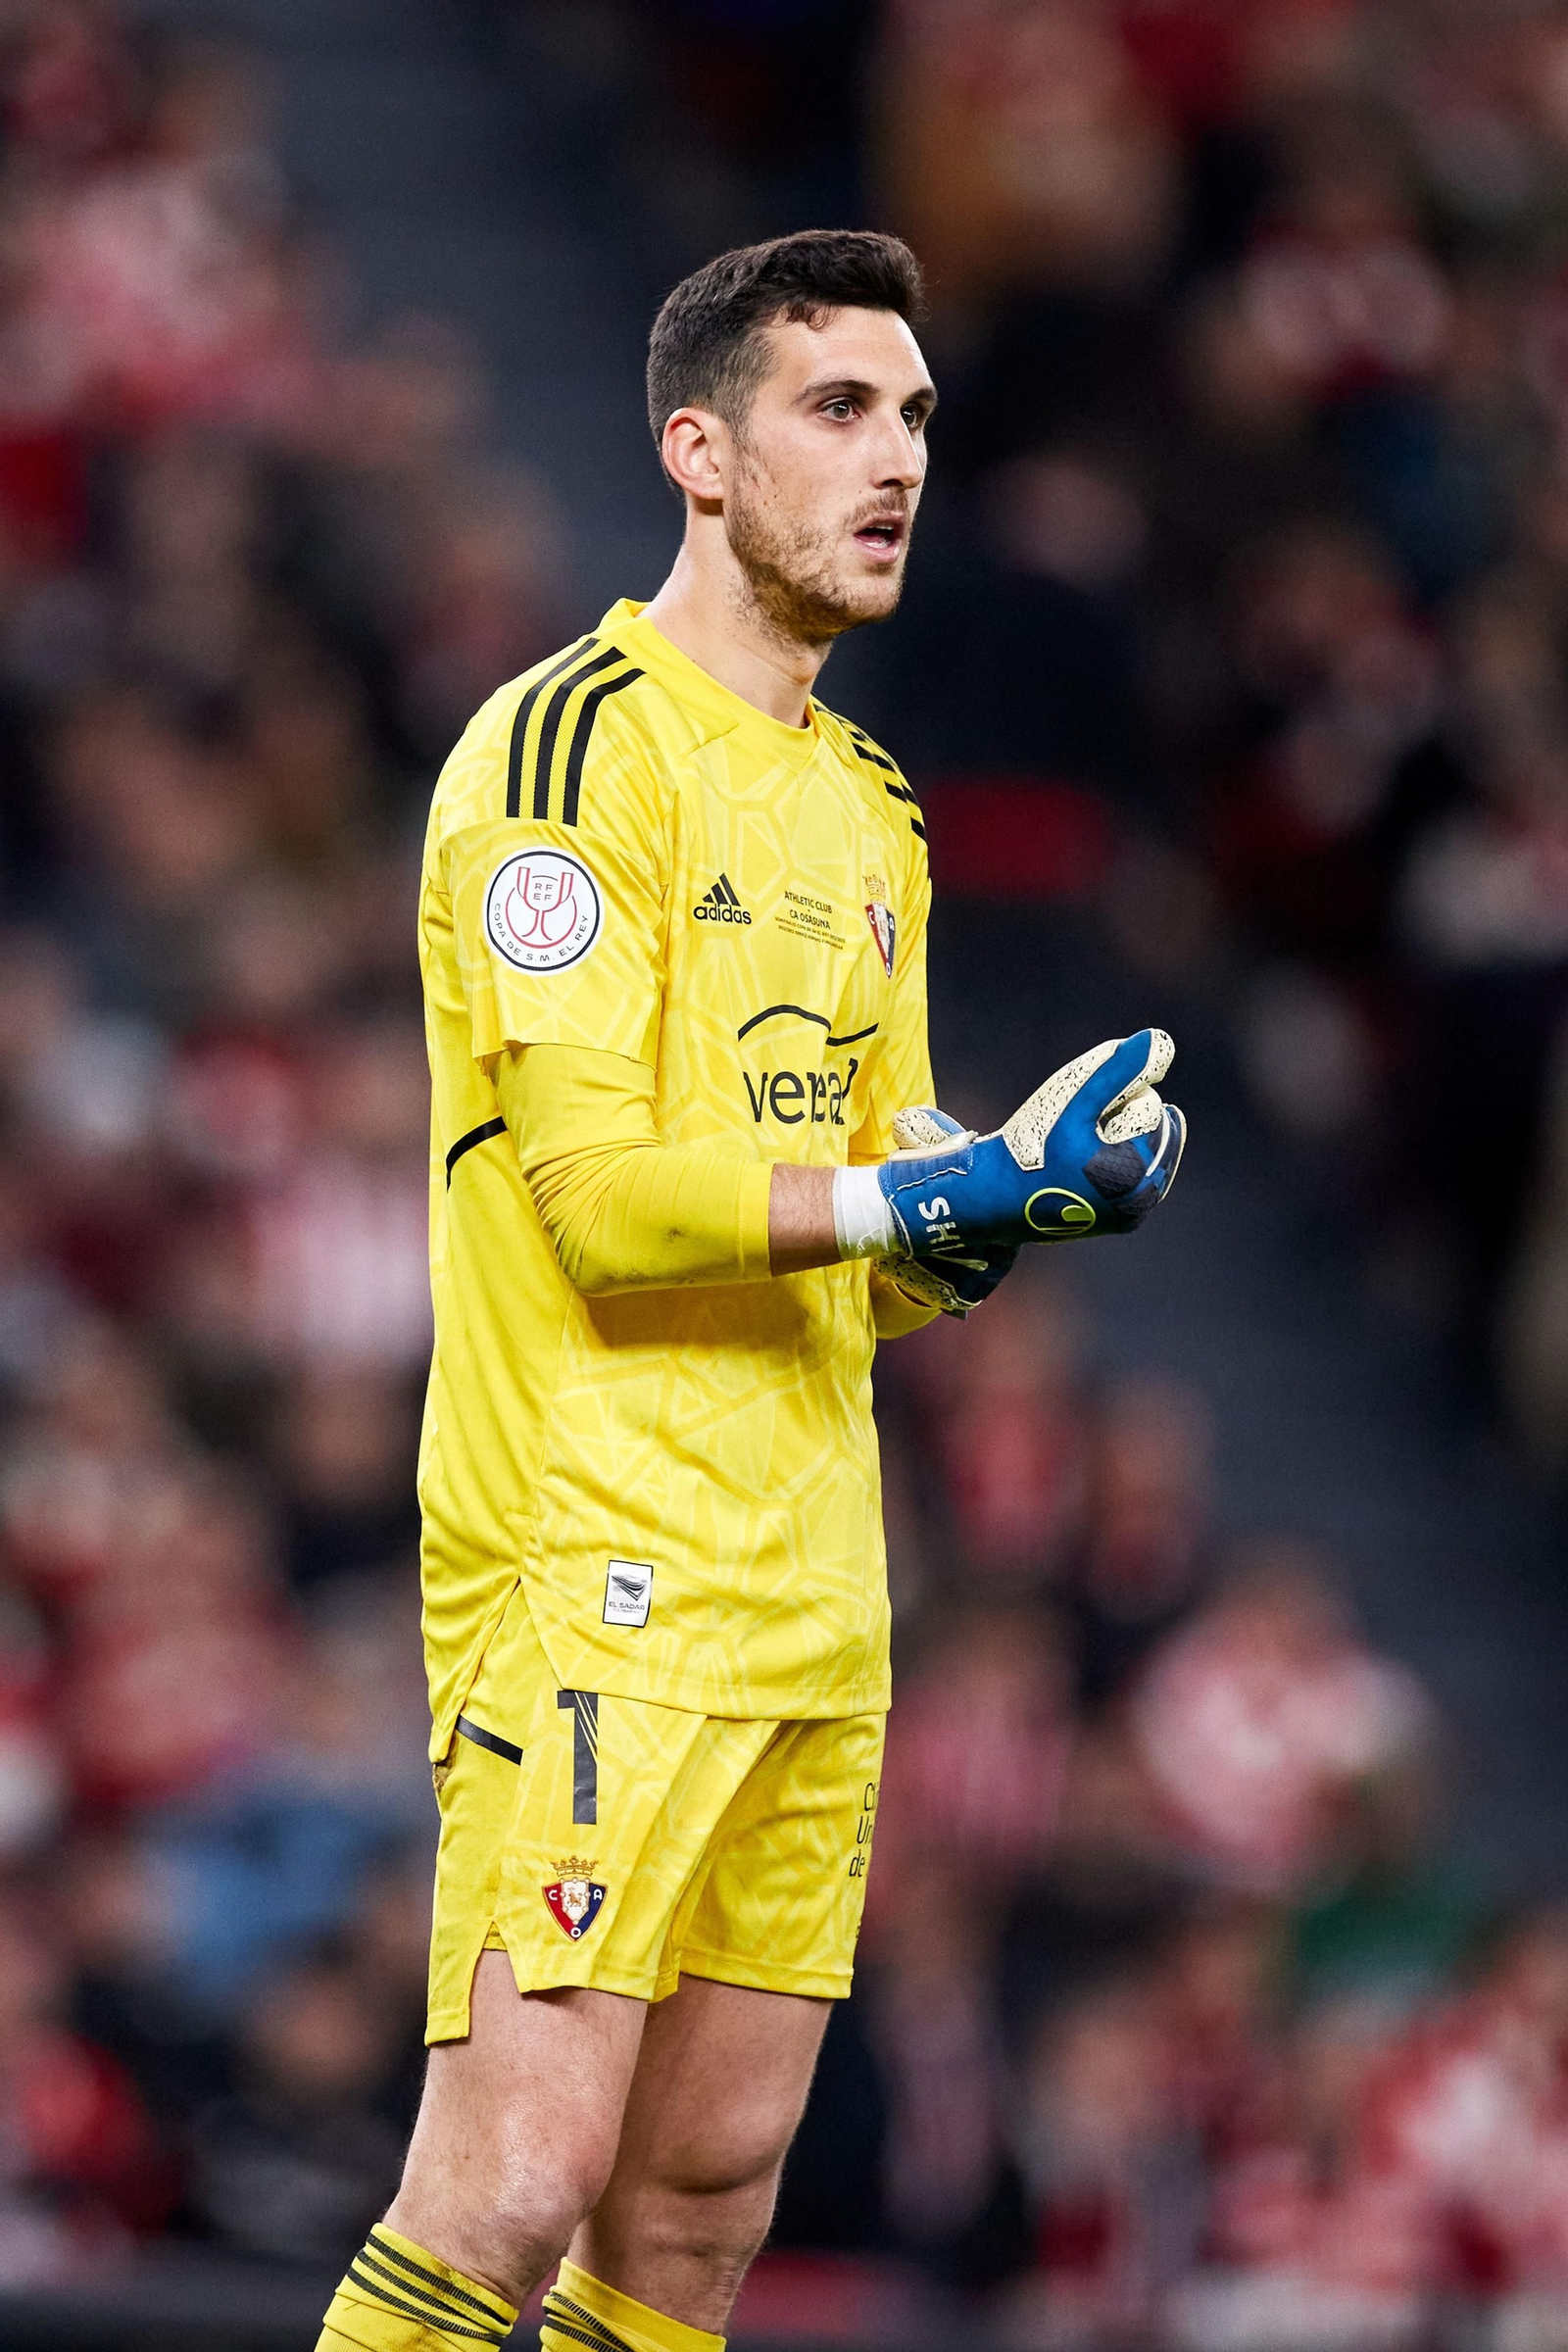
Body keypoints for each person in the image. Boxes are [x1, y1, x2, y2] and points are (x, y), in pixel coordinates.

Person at [316, 228, 1185, 2352]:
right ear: (697, 451)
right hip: (590, 1554)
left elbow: (866, 1245)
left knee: (696, 2220)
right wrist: (939, 1187)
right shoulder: (563, 757)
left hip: (813, 1584)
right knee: (511, 2185)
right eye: (835, 411)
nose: (893, 460)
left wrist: (1006, 1210)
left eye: (909, 418)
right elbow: (606, 1205)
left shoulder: (872, 809)